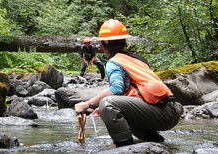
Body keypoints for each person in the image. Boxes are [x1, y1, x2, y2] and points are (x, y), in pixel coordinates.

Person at [74, 19, 183, 147]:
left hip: (163, 113)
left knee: (107, 104)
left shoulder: (114, 62)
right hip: (171, 110)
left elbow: (116, 89)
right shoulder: (137, 59)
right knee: (112, 108)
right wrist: (110, 108)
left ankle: (124, 147)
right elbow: (136, 91)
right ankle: (155, 142)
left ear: (104, 45)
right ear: (125, 43)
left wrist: (87, 104)